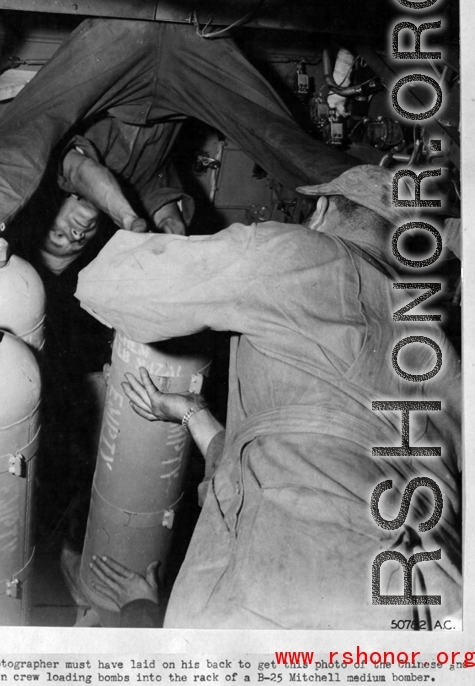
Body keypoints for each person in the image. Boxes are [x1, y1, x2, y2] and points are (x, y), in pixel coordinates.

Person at [75, 164, 461, 630]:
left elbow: (109, 284)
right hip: (436, 599)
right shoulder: (437, 347)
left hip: (311, 579)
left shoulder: (301, 252)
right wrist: (193, 413)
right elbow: (315, 440)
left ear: (320, 212)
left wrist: (143, 226)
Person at [0, 17, 359, 296]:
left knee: (18, 142)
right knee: (279, 142)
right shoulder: (138, 181)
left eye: (56, 234)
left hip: (118, 46)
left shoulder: (57, 173)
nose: (71, 234)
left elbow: (84, 170)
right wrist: (172, 240)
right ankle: (373, 207)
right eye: (74, 245)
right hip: (191, 56)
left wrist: (131, 224)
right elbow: (162, 197)